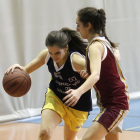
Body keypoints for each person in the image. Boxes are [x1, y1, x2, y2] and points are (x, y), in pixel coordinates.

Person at [5, 27, 93, 140]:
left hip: (78, 103)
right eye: (51, 52)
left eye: (57, 53)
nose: (54, 56)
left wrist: (86, 78)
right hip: (56, 97)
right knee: (44, 133)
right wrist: (18, 68)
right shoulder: (46, 55)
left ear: (66, 47)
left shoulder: (76, 60)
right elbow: (26, 70)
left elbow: (97, 73)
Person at [63, 7, 129, 140]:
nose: (76, 29)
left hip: (116, 103)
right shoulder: (102, 42)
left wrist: (78, 92)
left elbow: (96, 75)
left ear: (88, 25)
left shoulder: (94, 46)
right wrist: (89, 73)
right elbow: (103, 71)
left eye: (78, 25)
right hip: (109, 102)